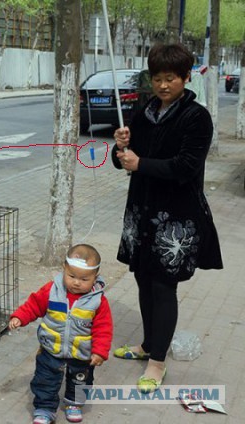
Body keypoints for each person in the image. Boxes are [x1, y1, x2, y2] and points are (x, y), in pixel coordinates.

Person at [112, 43, 222, 394]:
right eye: (157, 78)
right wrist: (121, 148)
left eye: (170, 78)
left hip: (176, 216)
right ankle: (147, 344)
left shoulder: (196, 117)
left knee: (163, 286)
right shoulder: (144, 110)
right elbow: (124, 161)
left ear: (186, 77)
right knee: (143, 278)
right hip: (142, 210)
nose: (162, 85)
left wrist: (141, 163)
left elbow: (186, 167)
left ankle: (157, 361)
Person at [9, 244, 113, 424]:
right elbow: (34, 305)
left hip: (82, 352)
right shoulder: (52, 291)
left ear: (95, 277)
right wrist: (20, 317)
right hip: (51, 348)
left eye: (84, 279)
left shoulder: (97, 301)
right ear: (64, 269)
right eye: (71, 276)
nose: (76, 282)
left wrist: (100, 351)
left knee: (80, 380)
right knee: (45, 380)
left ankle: (74, 403)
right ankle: (44, 407)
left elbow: (103, 327)